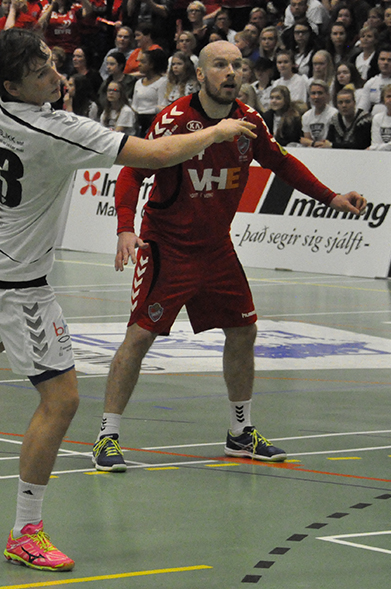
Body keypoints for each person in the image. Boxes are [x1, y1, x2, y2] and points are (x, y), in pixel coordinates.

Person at [0, 0, 260, 573]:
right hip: (16, 276)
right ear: (14, 85)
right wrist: (214, 133)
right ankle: (25, 532)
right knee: (61, 399)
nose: (55, 77)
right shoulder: (54, 128)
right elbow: (154, 154)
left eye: (51, 62)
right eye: (42, 74)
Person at [90, 40, 366, 474]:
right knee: (139, 337)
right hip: (168, 247)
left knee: (243, 331)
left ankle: (241, 432)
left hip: (216, 248)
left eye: (237, 65)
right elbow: (132, 172)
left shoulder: (249, 120)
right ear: (200, 75)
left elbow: (282, 163)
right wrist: (126, 227)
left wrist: (331, 197)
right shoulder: (175, 120)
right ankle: (107, 436)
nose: (231, 72)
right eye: (220, 65)